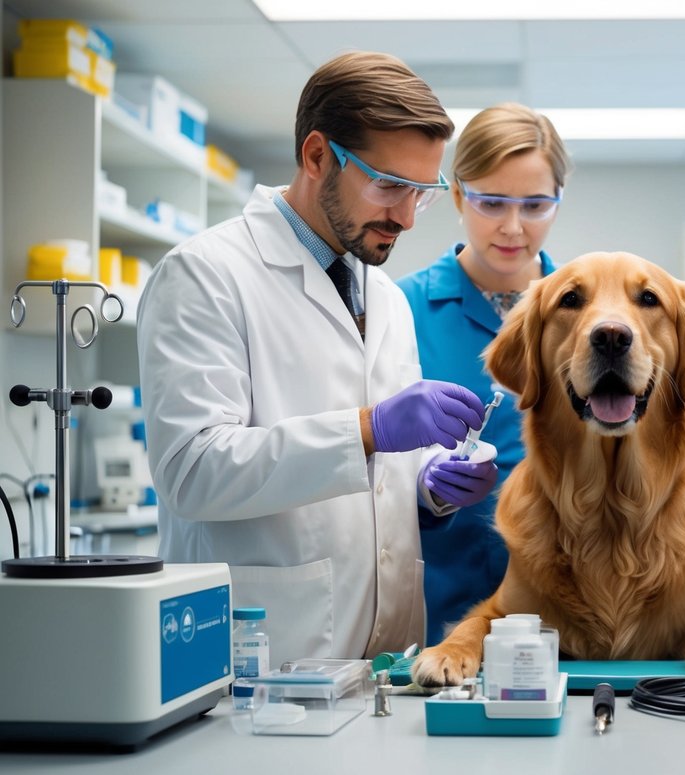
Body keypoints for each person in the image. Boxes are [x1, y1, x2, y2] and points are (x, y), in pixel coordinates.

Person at [137, 52, 499, 664]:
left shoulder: (383, 295)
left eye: (423, 193)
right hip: (263, 654)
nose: (407, 218)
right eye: (388, 186)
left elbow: (380, 474)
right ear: (315, 156)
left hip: (388, 657)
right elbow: (191, 473)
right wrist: (369, 428)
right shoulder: (204, 276)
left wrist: (429, 487)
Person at [398, 103, 569, 643]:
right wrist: (424, 483)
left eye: (536, 205)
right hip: (441, 592)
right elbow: (368, 463)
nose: (513, 227)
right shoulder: (400, 308)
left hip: (565, 594)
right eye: (491, 202)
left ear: (558, 204)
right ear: (456, 195)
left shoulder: (590, 314)